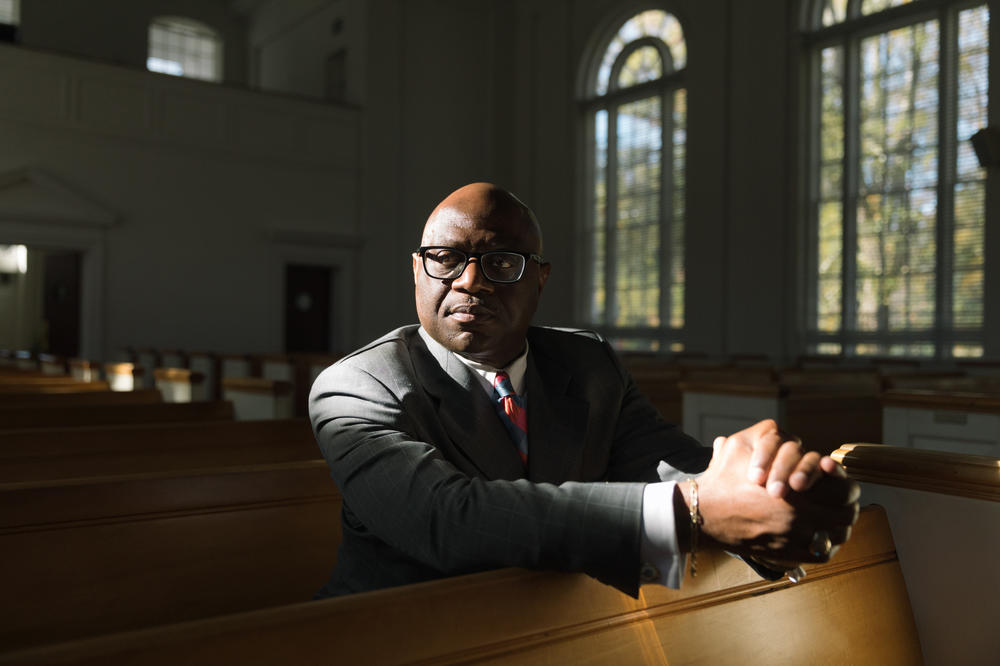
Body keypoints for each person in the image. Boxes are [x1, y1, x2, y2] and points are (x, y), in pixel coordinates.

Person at [309, 182, 859, 598]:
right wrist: (694, 511)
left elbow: (674, 466)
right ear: (417, 271)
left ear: (539, 279)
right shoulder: (356, 387)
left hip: (561, 632)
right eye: (446, 259)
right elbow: (446, 518)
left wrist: (776, 491)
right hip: (404, 638)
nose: (470, 282)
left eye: (501, 262)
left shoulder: (586, 362)